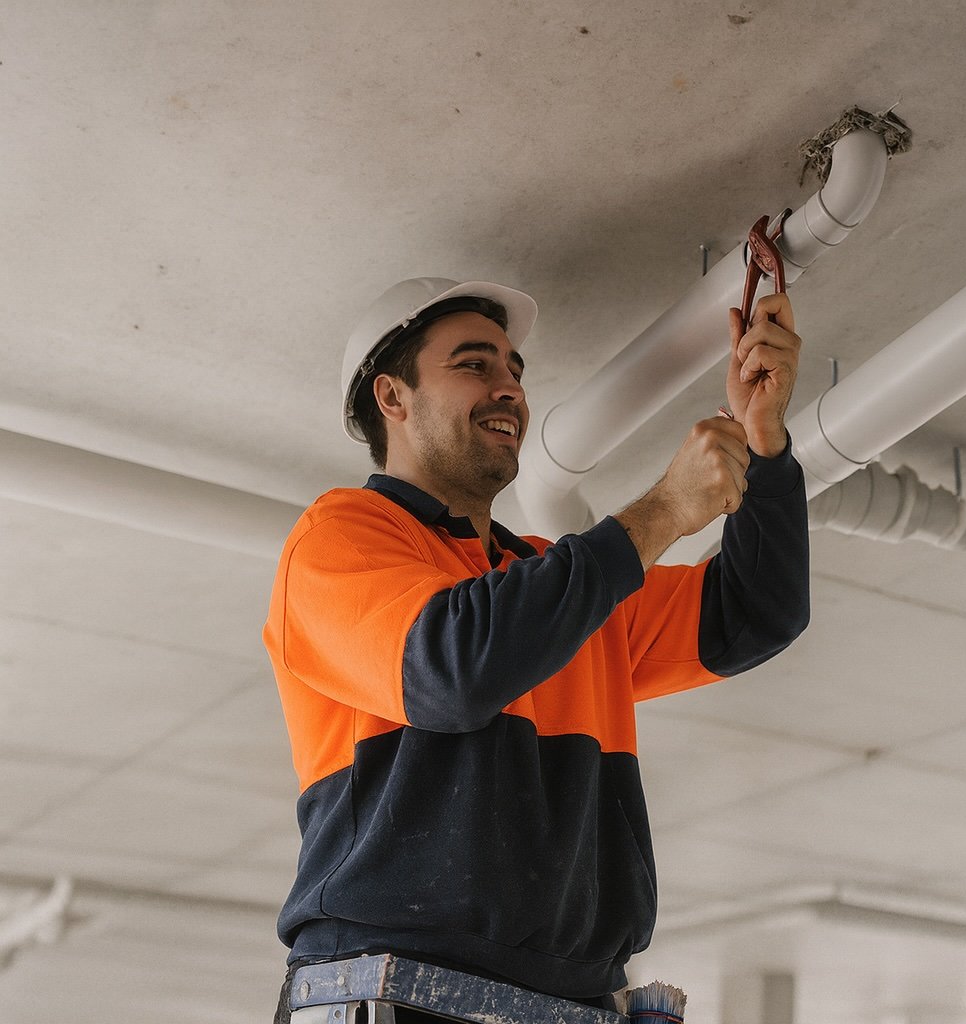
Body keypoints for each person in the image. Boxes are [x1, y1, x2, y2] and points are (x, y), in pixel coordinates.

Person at [264, 277, 810, 1021]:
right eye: (474, 365)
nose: (509, 390)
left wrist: (767, 443)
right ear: (392, 398)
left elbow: (755, 612)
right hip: (399, 990)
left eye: (515, 371)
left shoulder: (559, 588)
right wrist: (658, 514)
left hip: (571, 1000)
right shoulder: (338, 540)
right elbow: (454, 668)